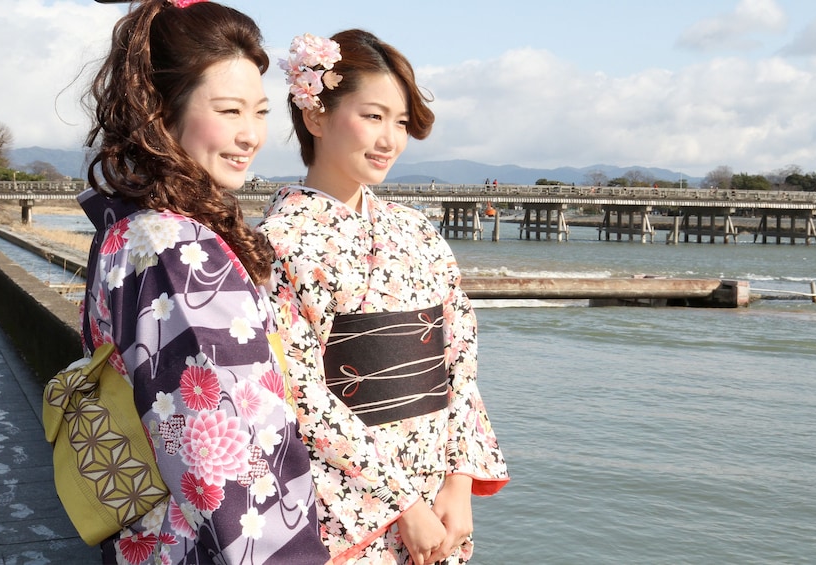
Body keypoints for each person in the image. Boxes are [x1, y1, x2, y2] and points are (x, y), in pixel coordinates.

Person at [78, 1, 330, 563]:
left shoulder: (131, 227)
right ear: (161, 111)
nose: (250, 135)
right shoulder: (177, 249)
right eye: (229, 110)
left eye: (260, 112)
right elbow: (223, 460)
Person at [259, 29, 509, 564]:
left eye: (399, 122)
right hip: (349, 507)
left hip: (439, 496)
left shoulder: (419, 232)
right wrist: (402, 505)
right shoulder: (279, 243)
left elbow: (457, 364)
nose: (390, 140)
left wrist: (458, 485)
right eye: (373, 116)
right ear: (316, 115)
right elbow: (297, 391)